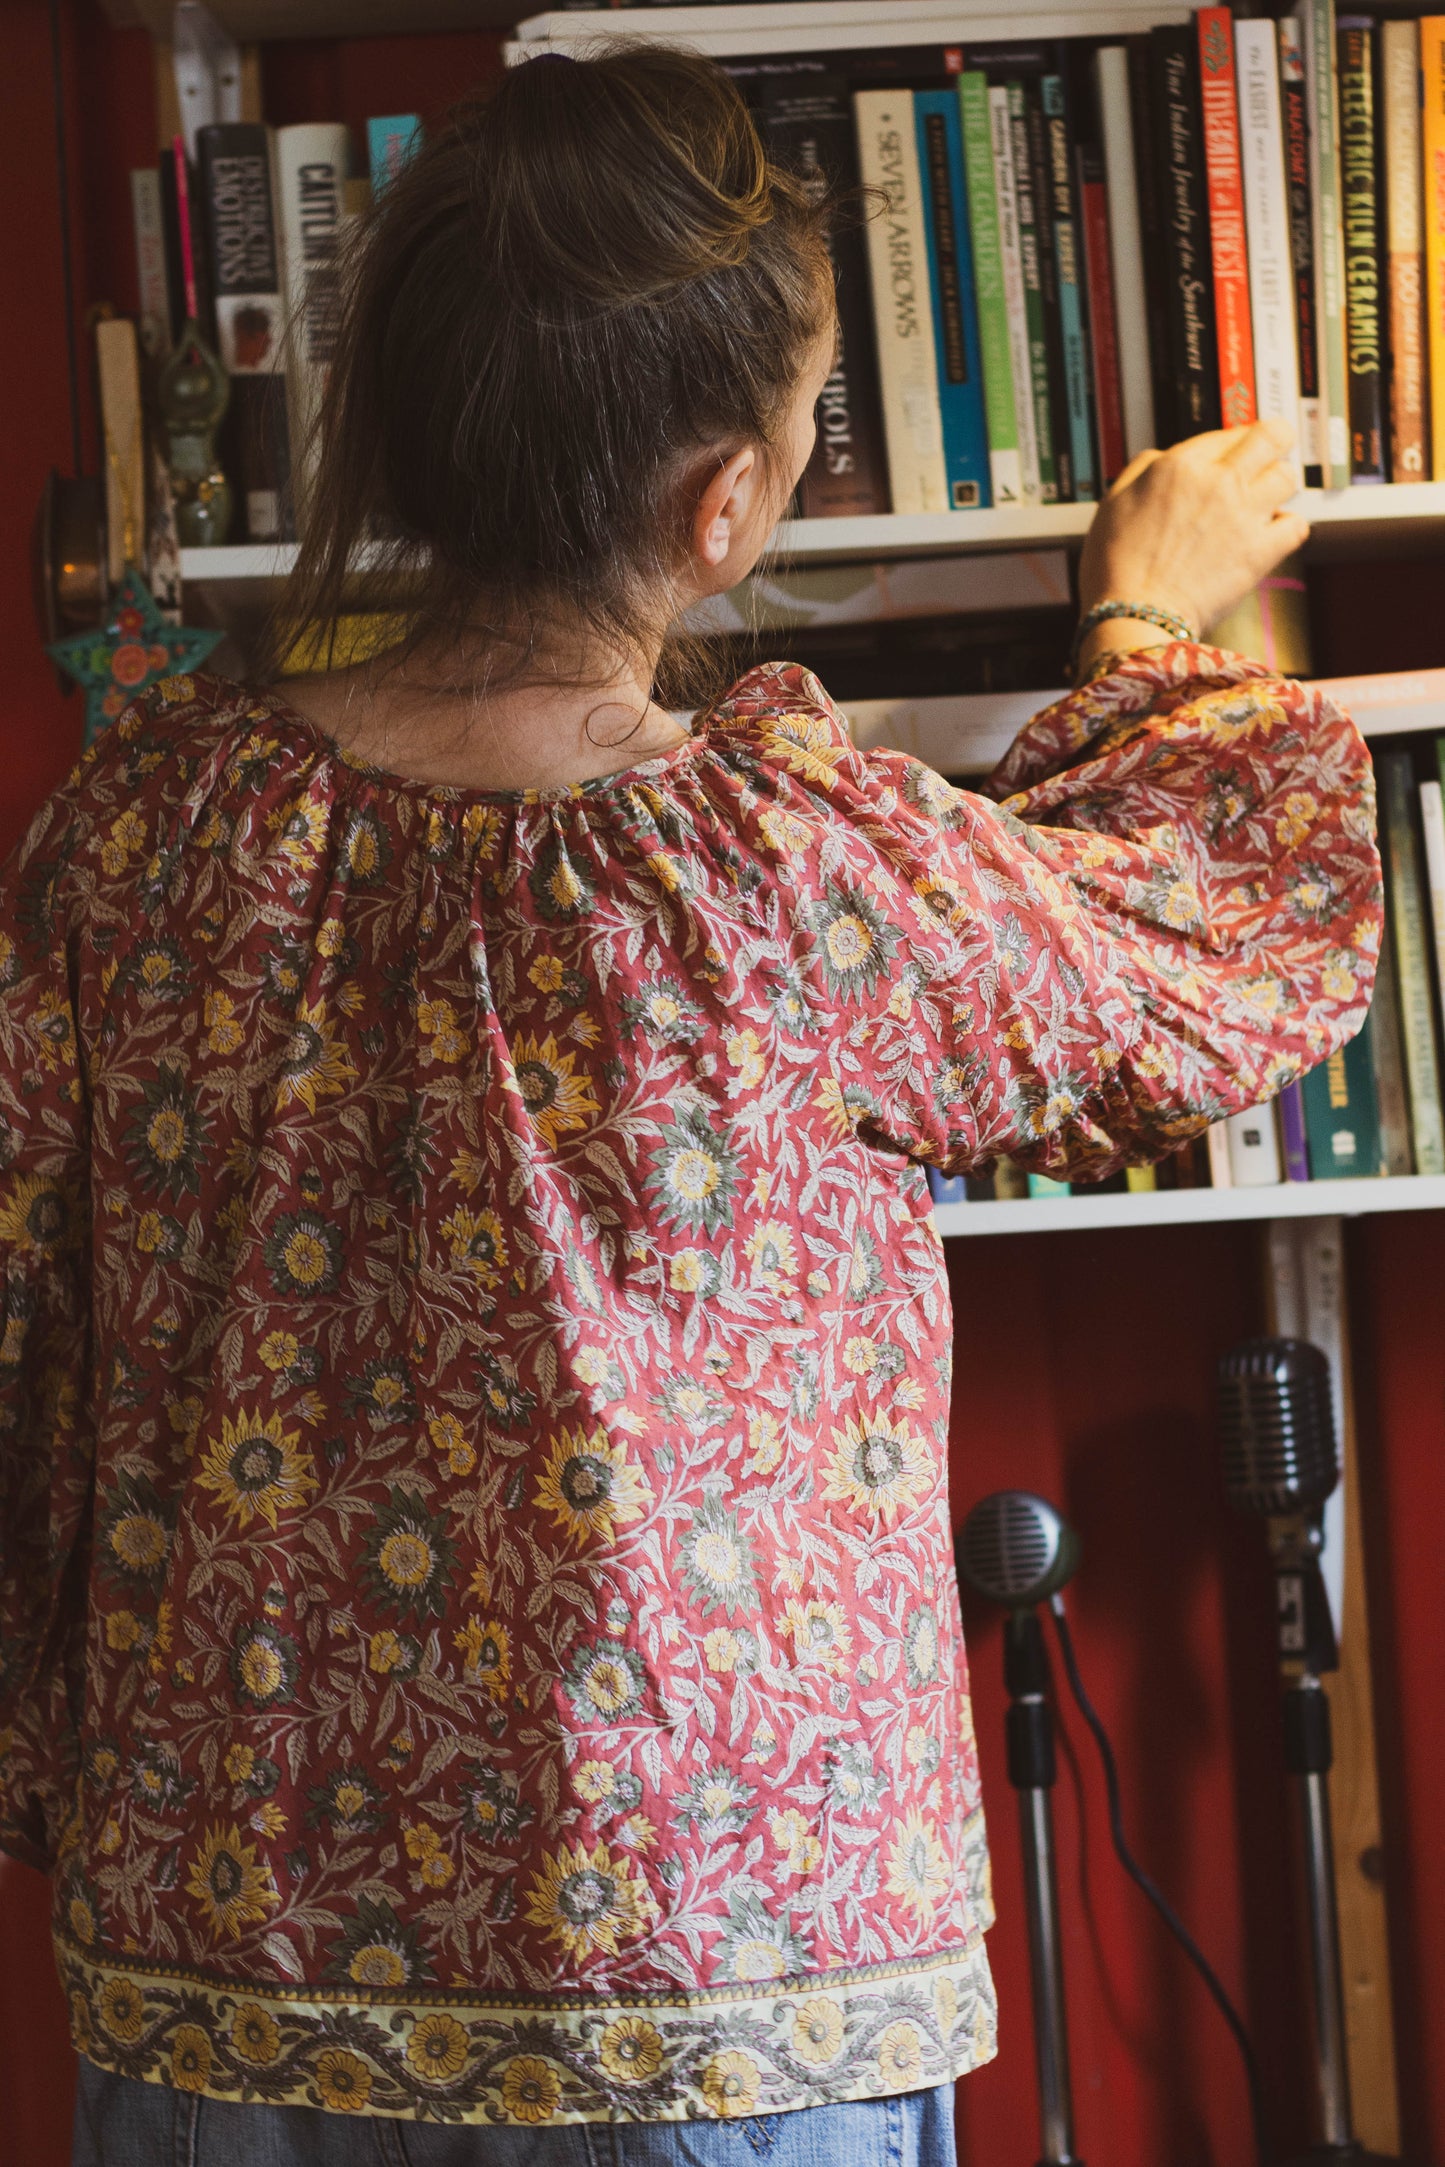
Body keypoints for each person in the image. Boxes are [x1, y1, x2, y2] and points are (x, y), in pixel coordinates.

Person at [0, 44, 1377, 2167]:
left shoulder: (134, 849)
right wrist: (1138, 619)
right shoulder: (784, 865)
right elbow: (1205, 955)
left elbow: (28, 1358)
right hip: (717, 2001)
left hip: (229, 1990)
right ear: (719, 502)